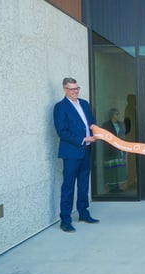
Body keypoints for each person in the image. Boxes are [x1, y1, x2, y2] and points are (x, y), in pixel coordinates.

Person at [53, 77, 100, 233]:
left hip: (86, 151)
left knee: (84, 184)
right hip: (72, 153)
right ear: (65, 89)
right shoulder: (60, 107)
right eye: (72, 89)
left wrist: (95, 130)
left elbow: (91, 122)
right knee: (68, 186)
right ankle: (65, 220)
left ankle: (83, 213)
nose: (75, 92)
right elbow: (62, 132)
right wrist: (83, 139)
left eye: (77, 88)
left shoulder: (84, 104)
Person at [101, 108, 127, 193]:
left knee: (119, 169)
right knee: (111, 170)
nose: (118, 116)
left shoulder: (121, 124)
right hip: (110, 150)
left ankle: (118, 186)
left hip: (120, 149)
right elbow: (103, 138)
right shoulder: (105, 125)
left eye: (119, 114)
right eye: (117, 114)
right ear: (112, 115)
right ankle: (112, 187)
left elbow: (124, 136)